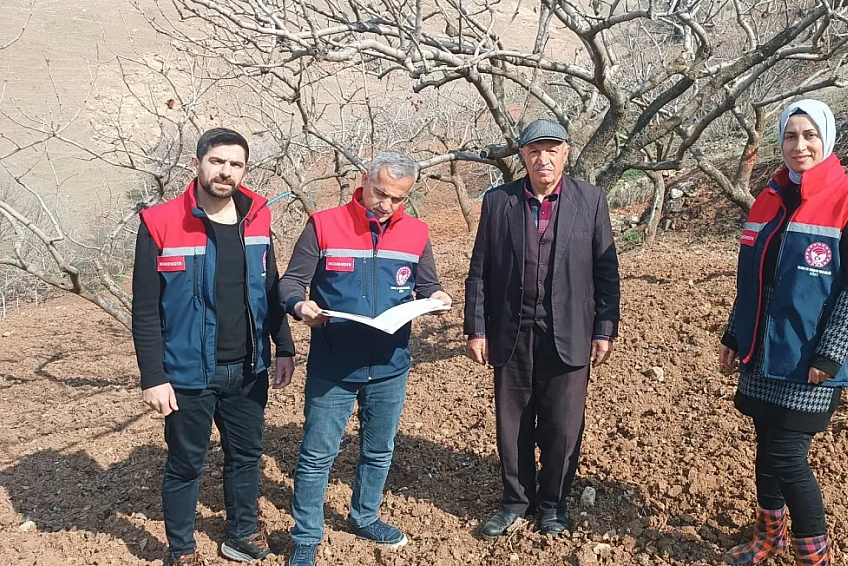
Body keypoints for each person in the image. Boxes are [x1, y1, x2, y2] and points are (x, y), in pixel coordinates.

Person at [718, 99, 848, 566]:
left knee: (789, 457)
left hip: (808, 356)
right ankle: (766, 538)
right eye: (791, 136)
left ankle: (813, 555)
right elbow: (752, 278)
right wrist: (734, 335)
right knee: (765, 449)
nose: (800, 145)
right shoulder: (769, 198)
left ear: (827, 138)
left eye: (810, 135)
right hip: (762, 350)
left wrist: (830, 354)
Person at [132, 127, 296, 566]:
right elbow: (146, 310)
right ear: (197, 163)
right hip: (187, 371)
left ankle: (241, 533)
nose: (226, 172)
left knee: (246, 457)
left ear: (244, 169)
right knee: (186, 465)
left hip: (247, 367)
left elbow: (270, 284)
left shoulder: (257, 215)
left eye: (236, 164)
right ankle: (182, 551)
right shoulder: (160, 223)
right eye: (217, 161)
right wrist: (154, 376)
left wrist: (282, 346)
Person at [278, 152, 451, 566]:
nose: (386, 205)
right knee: (318, 454)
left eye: (397, 198)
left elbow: (428, 284)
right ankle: (305, 537)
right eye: (380, 193)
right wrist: (301, 308)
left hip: (390, 364)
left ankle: (365, 515)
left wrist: (439, 297)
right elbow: (290, 282)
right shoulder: (323, 225)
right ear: (364, 180)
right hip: (334, 365)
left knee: (379, 449)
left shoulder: (417, 233)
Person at [464, 119, 621, 539]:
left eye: (551, 149)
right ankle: (515, 500)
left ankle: (552, 503)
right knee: (511, 422)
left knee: (563, 424)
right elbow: (479, 271)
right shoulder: (499, 202)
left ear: (565, 153)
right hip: (511, 333)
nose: (543, 158)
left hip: (569, 331)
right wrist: (476, 327)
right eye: (534, 151)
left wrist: (604, 328)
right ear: (523, 156)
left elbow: (607, 271)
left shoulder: (590, 199)